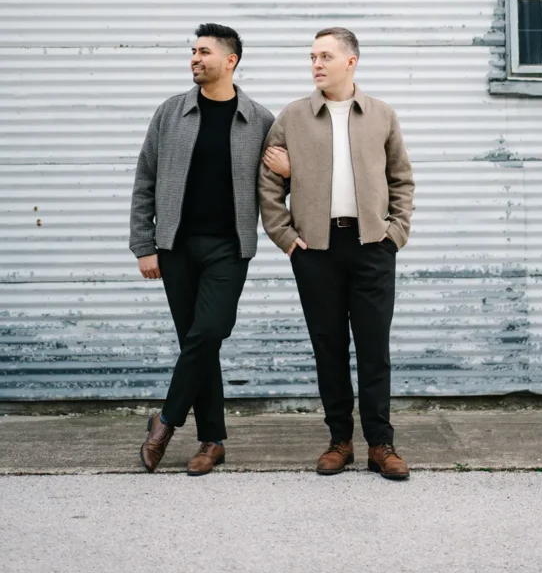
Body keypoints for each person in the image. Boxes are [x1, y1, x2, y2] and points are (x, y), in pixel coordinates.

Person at [259, 27, 414, 480]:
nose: (316, 65)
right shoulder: (293, 117)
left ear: (352, 61)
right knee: (328, 347)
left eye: (325, 56)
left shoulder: (382, 115)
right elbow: (270, 186)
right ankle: (339, 441)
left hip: (372, 247)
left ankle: (381, 444)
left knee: (373, 349)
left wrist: (396, 233)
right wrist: (286, 238)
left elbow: (401, 179)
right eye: (312, 57)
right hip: (316, 250)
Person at [129, 23, 274, 475]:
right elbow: (145, 181)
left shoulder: (260, 120)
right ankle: (212, 442)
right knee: (196, 341)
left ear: (230, 60)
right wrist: (144, 246)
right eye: (192, 51)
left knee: (208, 331)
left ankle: (165, 422)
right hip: (175, 248)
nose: (194, 58)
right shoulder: (170, 113)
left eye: (204, 51)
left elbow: (277, 185)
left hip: (230, 249)